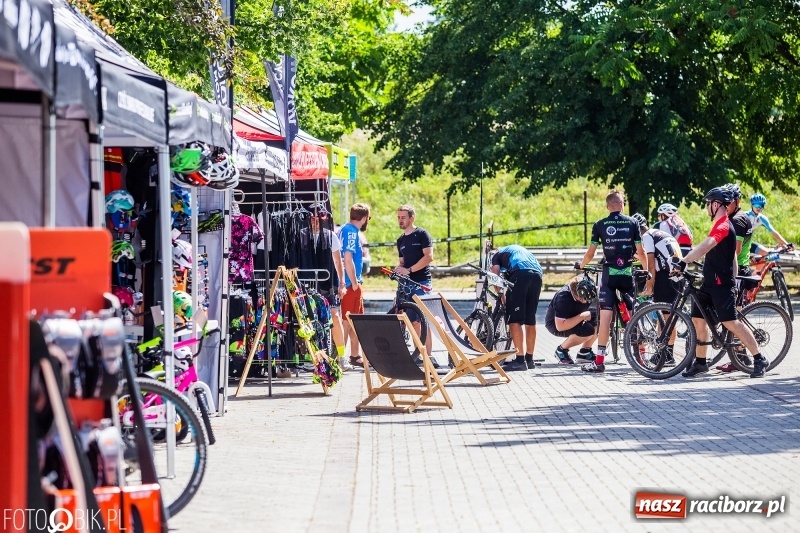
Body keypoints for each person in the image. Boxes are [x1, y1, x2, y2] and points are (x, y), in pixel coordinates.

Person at [670, 186, 769, 378]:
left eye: (708, 203)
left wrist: (684, 261)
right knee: (698, 320)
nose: (706, 207)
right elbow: (731, 254)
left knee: (731, 321)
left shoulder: (724, 225)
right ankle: (700, 363)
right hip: (710, 282)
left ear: (716, 204)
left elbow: (707, 245)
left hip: (721, 283)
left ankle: (759, 358)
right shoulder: (720, 224)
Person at [577, 191, 646, 373]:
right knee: (632, 315)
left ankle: (599, 361)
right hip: (627, 274)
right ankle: (640, 357)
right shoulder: (633, 222)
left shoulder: (600, 224)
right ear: (622, 205)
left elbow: (590, 254)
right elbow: (641, 251)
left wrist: (581, 265)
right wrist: (647, 272)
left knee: (605, 319)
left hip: (609, 275)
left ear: (608, 206)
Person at [300, 212, 350, 370]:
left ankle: (342, 356)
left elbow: (337, 261)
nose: (315, 223)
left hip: (328, 282)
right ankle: (310, 357)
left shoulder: (330, 236)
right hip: (307, 281)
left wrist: (342, 283)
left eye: (318, 220)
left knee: (335, 316)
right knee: (307, 319)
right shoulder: (301, 235)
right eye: (312, 219)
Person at [631, 212, 682, 365]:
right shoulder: (658, 233)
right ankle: (664, 353)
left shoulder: (646, 236)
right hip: (675, 274)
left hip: (666, 275)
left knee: (667, 317)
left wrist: (649, 285)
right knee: (665, 316)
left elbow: (651, 264)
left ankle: (668, 355)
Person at [490, 244, 543, 371]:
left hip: (521, 274)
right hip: (537, 274)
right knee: (530, 319)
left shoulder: (496, 255)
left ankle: (520, 360)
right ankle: (529, 359)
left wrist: (500, 294)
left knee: (514, 319)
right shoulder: (516, 250)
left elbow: (495, 276)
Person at [394, 205, 434, 359]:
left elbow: (429, 257)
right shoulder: (400, 240)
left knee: (422, 321)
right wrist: (400, 268)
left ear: (412, 218)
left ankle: (429, 357)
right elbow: (403, 262)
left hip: (421, 283)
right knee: (412, 322)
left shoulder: (422, 234)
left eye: (403, 217)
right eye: (398, 217)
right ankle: (419, 354)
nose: (400, 220)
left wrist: (409, 270)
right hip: (406, 286)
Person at [337, 203, 371, 368]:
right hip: (350, 284)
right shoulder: (351, 232)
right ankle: (341, 358)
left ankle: (354, 355)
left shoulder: (343, 229)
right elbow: (347, 259)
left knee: (352, 321)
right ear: (364, 218)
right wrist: (355, 283)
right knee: (346, 321)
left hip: (347, 283)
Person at [546, 276, 599, 365]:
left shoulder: (588, 289)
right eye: (583, 299)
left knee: (601, 321)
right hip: (556, 324)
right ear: (576, 294)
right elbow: (560, 327)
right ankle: (561, 350)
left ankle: (584, 352)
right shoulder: (563, 297)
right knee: (587, 330)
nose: (586, 302)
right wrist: (582, 316)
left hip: (576, 318)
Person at [746, 193, 790, 260]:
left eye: (761, 205)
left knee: (769, 254)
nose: (759, 208)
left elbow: (773, 232)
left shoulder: (762, 218)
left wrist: (787, 244)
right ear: (752, 205)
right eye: (757, 205)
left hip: (749, 244)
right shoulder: (744, 216)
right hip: (738, 244)